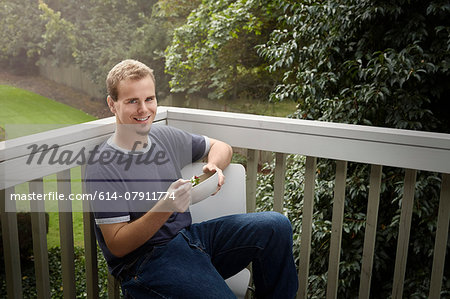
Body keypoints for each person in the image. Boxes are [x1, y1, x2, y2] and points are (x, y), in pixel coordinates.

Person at [85, 59, 298, 298]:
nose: (144, 109)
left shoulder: (164, 136)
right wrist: (166, 207)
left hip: (191, 239)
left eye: (149, 99)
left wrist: (214, 166)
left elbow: (221, 146)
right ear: (112, 105)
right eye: (132, 101)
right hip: (145, 263)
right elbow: (117, 244)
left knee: (276, 226)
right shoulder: (102, 165)